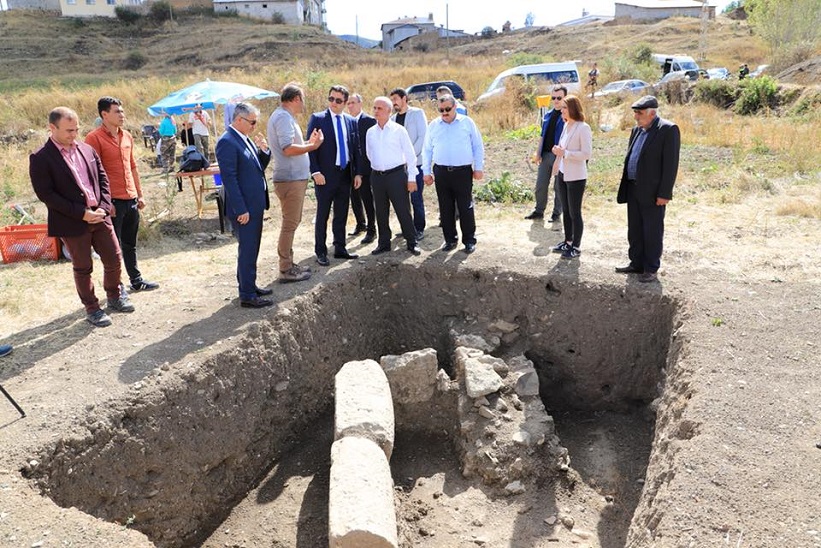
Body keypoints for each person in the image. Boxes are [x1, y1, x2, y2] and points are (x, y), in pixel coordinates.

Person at [30, 107, 134, 327]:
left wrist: (104, 207)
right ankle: (92, 308)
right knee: (83, 266)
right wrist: (81, 214)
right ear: (52, 128)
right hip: (72, 221)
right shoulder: (41, 158)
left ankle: (114, 296)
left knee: (114, 258)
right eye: (68, 130)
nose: (73, 134)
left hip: (100, 215)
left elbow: (103, 179)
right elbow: (47, 195)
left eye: (76, 129)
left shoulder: (86, 149)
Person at [86, 96, 159, 293]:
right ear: (104, 114)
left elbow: (132, 166)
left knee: (130, 244)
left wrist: (140, 194)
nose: (122, 115)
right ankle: (116, 287)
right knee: (112, 249)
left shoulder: (127, 136)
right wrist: (104, 202)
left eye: (122, 111)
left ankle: (136, 280)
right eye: (117, 111)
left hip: (131, 198)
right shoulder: (94, 138)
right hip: (112, 202)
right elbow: (92, 174)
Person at [616, 95, 680, 283]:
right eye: (635, 112)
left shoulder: (668, 130)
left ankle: (651, 268)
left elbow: (670, 165)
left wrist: (664, 193)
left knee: (652, 230)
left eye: (640, 113)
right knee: (634, 229)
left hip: (653, 192)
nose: (636, 116)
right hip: (633, 188)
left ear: (652, 114)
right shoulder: (637, 130)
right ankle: (636, 263)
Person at [215, 102, 273, 307]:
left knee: (251, 247)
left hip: (254, 205)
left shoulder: (243, 138)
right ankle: (247, 295)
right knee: (248, 248)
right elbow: (229, 179)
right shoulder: (227, 142)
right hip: (244, 208)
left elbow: (256, 169)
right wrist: (241, 209)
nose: (254, 126)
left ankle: (249, 284)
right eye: (252, 122)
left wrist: (264, 152)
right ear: (239, 120)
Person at [266, 83, 324, 283]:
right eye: (303, 99)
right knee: (289, 225)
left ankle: (289, 264)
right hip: (290, 179)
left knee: (291, 222)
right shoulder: (283, 117)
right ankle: (285, 269)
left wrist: (308, 144)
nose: (304, 103)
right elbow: (288, 149)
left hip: (292, 178)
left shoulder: (284, 117)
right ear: (296, 98)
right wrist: (312, 146)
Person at [307, 84, 363, 267]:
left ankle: (340, 247)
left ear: (345, 102)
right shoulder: (318, 119)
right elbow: (311, 148)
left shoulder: (351, 121)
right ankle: (321, 251)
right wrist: (315, 172)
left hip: (345, 174)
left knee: (341, 213)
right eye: (331, 99)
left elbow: (356, 149)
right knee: (323, 214)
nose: (334, 103)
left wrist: (358, 173)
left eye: (338, 100)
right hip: (325, 176)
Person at [422, 94, 484, 254]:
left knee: (465, 207)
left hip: (462, 172)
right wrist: (426, 171)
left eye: (448, 109)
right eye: (441, 110)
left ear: (455, 107)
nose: (444, 112)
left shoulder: (467, 123)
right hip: (441, 172)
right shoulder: (434, 125)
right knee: (445, 208)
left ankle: (469, 240)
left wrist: (478, 167)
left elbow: (477, 145)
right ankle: (450, 240)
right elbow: (427, 150)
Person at [366, 96, 421, 257]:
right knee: (381, 212)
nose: (376, 111)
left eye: (380, 108)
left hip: (396, 175)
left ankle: (412, 242)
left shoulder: (399, 130)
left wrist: (411, 178)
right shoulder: (370, 132)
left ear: (389, 111)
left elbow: (411, 156)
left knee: (403, 210)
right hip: (377, 177)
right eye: (374, 108)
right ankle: (384, 243)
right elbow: (370, 154)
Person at [550, 95, 592, 260]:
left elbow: (586, 153)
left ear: (573, 109)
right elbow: (563, 148)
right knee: (566, 211)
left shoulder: (583, 128)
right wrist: (558, 151)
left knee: (575, 212)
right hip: (562, 173)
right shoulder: (566, 126)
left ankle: (576, 246)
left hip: (576, 176)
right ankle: (567, 241)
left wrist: (565, 153)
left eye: (565, 107)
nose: (562, 110)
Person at [390, 87, 428, 241]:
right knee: (402, 199)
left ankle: (419, 228)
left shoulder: (417, 114)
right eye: (392, 100)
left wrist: (409, 157)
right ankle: (407, 227)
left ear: (404, 98)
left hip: (416, 164)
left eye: (395, 99)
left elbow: (423, 137)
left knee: (416, 197)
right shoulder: (392, 119)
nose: (394, 103)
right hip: (399, 167)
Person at [525, 85, 567, 222]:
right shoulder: (548, 115)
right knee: (540, 186)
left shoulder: (567, 116)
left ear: (565, 98)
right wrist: (538, 153)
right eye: (553, 98)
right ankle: (539, 211)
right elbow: (542, 136)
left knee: (558, 187)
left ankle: (556, 214)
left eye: (559, 98)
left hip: (560, 156)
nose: (556, 100)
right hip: (546, 155)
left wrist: (560, 156)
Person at [346, 93, 377, 244]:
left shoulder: (370, 121)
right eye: (348, 103)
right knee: (354, 197)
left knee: (367, 198)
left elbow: (371, 147)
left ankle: (372, 229)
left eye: (352, 102)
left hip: (366, 168)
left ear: (360, 103)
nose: (350, 106)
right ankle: (361, 224)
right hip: (350, 168)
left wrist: (363, 170)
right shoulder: (347, 121)